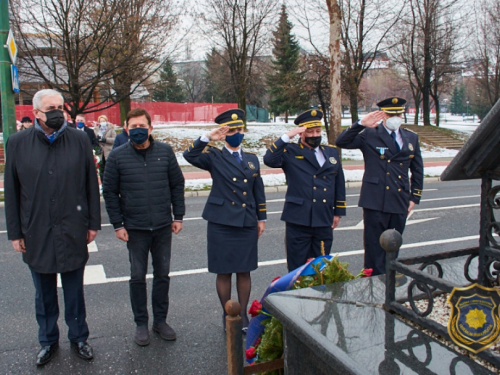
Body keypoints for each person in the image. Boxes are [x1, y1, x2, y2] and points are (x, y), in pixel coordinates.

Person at [4, 89, 101, 366]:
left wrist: (93, 223)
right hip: (36, 231)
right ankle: (47, 341)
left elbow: (90, 185)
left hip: (73, 227)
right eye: (51, 108)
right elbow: (12, 192)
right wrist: (15, 233)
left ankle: (79, 337)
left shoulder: (79, 139)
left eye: (61, 107)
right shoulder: (18, 143)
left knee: (74, 291)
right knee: (43, 294)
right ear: (36, 113)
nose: (58, 112)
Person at [103, 108, 185, 346]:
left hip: (162, 226)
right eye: (133, 126)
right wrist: (117, 224)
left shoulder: (165, 152)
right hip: (135, 228)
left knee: (162, 275)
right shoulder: (117, 156)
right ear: (126, 129)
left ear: (150, 128)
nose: (138, 130)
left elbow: (176, 184)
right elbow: (109, 192)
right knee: (137, 277)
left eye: (142, 126)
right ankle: (141, 323)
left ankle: (160, 321)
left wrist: (178, 216)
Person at [184, 109, 266, 332]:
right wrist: (208, 138)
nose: (236, 134)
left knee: (244, 270)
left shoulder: (251, 159)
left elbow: (258, 190)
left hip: (246, 221)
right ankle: (227, 313)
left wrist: (261, 218)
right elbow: (188, 155)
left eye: (239, 129)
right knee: (223, 271)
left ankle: (242, 315)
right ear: (224, 132)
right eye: (231, 130)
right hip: (221, 222)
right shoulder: (214, 156)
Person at [335, 97, 424, 276]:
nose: (395, 117)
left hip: (399, 200)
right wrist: (360, 124)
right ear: (382, 115)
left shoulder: (410, 138)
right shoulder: (370, 134)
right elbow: (341, 142)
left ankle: (390, 284)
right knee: (374, 249)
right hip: (375, 200)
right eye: (391, 114)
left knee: (393, 245)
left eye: (398, 113)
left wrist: (414, 197)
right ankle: (373, 284)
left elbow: (418, 169)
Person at [263, 109, 346, 272]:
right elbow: (269, 159)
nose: (315, 135)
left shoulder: (330, 152)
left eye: (317, 131)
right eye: (310, 131)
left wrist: (338, 211)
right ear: (302, 133)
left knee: (322, 267)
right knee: (297, 267)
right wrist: (288, 136)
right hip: (299, 219)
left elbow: (338, 182)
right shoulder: (290, 151)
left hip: (324, 217)